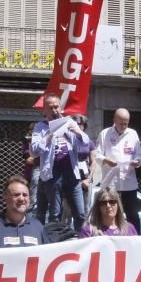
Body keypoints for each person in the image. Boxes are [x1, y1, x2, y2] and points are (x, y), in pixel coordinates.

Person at [32, 93, 91, 232]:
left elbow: (85, 142)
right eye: (50, 108)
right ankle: (55, 241)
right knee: (55, 213)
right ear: (44, 110)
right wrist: (49, 135)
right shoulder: (40, 127)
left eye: (56, 107)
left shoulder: (69, 122)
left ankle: (81, 240)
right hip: (52, 174)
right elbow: (34, 150)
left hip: (71, 172)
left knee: (80, 213)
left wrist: (77, 132)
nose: (54, 110)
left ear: (61, 108)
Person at [95, 108, 141, 233]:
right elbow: (97, 154)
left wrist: (137, 162)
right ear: (114, 120)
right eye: (121, 123)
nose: (123, 126)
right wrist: (106, 161)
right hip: (111, 183)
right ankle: (106, 236)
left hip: (129, 183)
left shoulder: (133, 134)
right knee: (108, 213)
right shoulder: (104, 133)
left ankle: (135, 239)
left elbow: (139, 155)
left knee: (133, 214)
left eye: (126, 123)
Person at [74, 114, 96, 215]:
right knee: (67, 210)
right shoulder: (67, 140)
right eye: (75, 124)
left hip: (85, 177)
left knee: (85, 210)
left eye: (80, 124)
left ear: (84, 126)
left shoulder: (89, 142)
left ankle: (84, 230)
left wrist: (88, 179)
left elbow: (93, 162)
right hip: (71, 177)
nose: (77, 126)